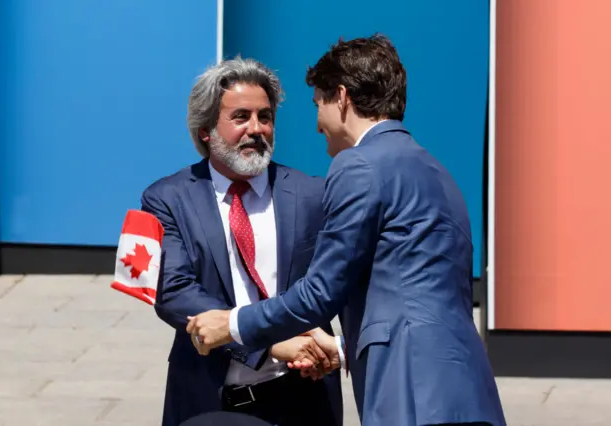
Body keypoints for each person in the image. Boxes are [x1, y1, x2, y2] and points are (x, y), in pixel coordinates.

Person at [186, 35, 507, 426]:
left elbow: (320, 293)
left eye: (317, 103)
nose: (317, 123)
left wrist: (232, 324)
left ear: (340, 97)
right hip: (468, 388)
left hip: (412, 391)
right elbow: (419, 299)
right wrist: (342, 347)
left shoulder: (358, 165)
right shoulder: (435, 171)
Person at [142, 58, 343, 426]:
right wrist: (267, 342)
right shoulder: (167, 199)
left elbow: (334, 280)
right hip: (211, 400)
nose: (256, 129)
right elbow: (174, 291)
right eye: (241, 117)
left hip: (304, 396)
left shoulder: (311, 194)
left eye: (265, 117)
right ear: (205, 129)